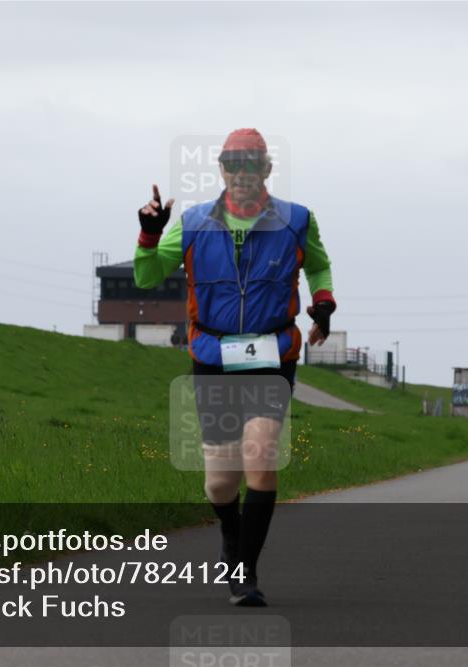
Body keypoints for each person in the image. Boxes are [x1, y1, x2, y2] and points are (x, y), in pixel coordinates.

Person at [134, 128, 336, 606]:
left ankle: (245, 572)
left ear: (267, 169)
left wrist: (323, 305)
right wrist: (150, 234)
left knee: (261, 459)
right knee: (220, 481)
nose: (242, 173)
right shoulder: (193, 223)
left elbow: (318, 266)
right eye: (233, 164)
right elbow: (146, 276)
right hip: (213, 355)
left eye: (252, 164)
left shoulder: (296, 220)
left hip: (273, 354)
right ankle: (230, 533)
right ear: (222, 170)